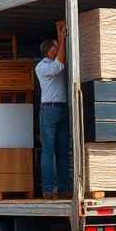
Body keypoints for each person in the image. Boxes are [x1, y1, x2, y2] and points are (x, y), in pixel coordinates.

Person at [35, 22, 70, 198]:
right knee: (48, 151)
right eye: (56, 47)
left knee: (63, 151)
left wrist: (60, 36)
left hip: (62, 109)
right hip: (49, 110)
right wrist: (61, 38)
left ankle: (64, 188)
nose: (60, 49)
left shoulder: (58, 60)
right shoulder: (42, 67)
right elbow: (58, 66)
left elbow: (61, 61)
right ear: (50, 51)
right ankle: (48, 189)